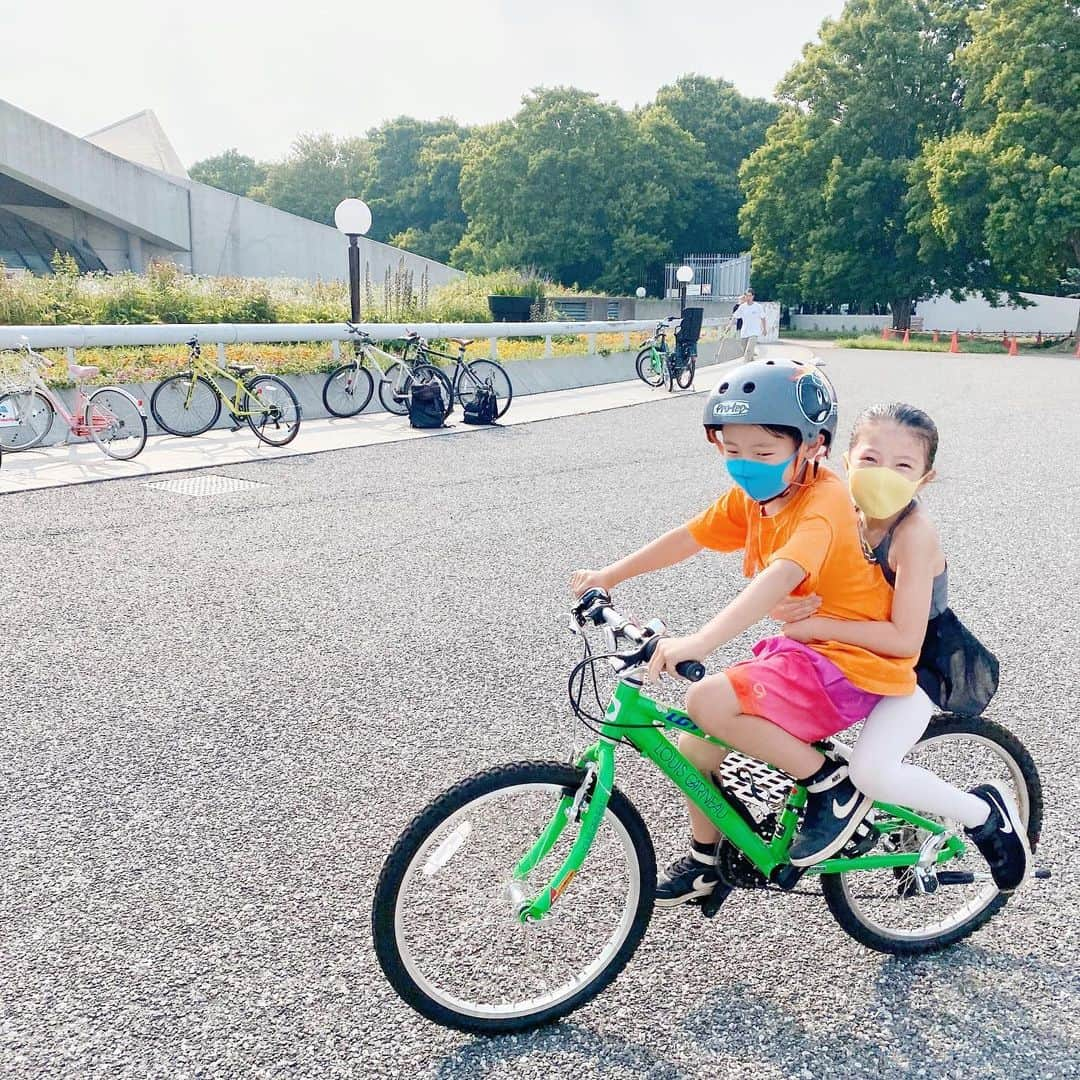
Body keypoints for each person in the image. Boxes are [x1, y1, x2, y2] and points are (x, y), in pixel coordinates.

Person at [571, 357, 922, 907]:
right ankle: (707, 864)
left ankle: (833, 785)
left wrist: (699, 642)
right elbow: (691, 536)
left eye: (763, 453)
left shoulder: (824, 502)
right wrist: (610, 575)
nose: (745, 465)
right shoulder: (760, 496)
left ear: (812, 447)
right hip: (807, 650)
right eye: (732, 451)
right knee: (693, 747)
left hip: (852, 663)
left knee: (708, 698)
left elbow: (779, 577)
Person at [775, 403, 1030, 891]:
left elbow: (904, 638)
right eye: (870, 460)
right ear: (845, 460)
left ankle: (985, 814)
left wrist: (817, 626)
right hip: (847, 650)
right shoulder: (837, 511)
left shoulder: (913, 535)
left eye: (903, 466)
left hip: (914, 665)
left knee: (870, 771)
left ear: (924, 479)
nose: (882, 474)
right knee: (760, 709)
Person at [729, 289, 767, 361]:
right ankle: (752, 365)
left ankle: (745, 365)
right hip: (744, 332)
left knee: (748, 351)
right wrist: (729, 326)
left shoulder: (758, 307)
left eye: (750, 296)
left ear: (753, 296)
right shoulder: (742, 307)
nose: (748, 298)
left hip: (754, 332)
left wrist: (764, 329)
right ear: (745, 296)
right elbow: (735, 317)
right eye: (747, 296)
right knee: (746, 352)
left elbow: (763, 318)